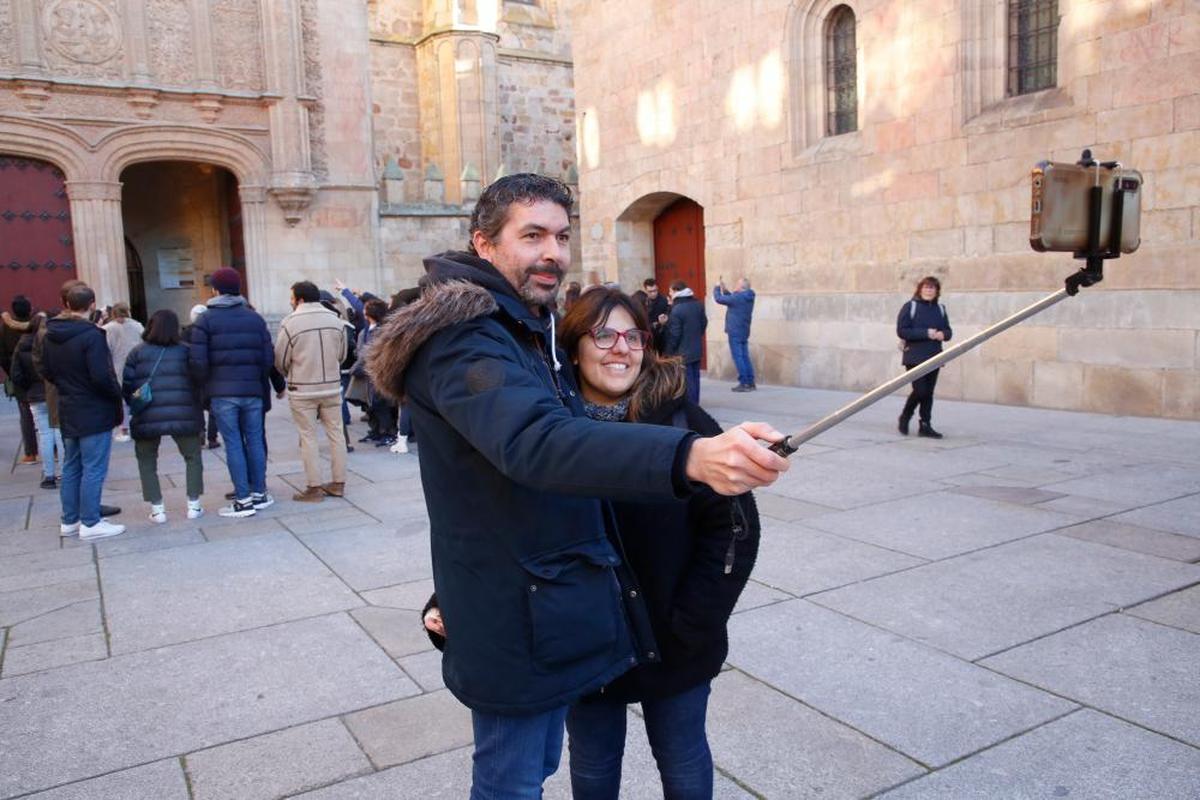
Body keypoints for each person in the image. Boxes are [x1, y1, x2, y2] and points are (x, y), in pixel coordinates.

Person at [365, 173, 787, 799]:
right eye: (531, 235)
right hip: (520, 619)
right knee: (514, 782)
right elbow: (535, 443)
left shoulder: (521, 329)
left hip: (546, 607)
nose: (552, 253)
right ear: (484, 243)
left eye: (562, 236)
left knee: (541, 771)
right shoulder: (465, 337)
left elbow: (509, 493)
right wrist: (689, 458)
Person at [560, 288, 760, 798]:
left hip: (676, 637)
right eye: (603, 334)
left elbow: (734, 527)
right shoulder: (551, 432)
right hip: (586, 639)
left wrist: (694, 620)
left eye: (633, 336)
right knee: (593, 763)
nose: (620, 348)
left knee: (682, 754)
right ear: (575, 346)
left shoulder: (682, 420)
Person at [40, 283, 126, 540]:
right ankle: (90, 521)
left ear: (66, 304)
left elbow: (46, 371)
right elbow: (102, 375)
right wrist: (115, 395)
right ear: (91, 305)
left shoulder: (50, 334)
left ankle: (70, 519)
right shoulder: (91, 335)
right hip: (93, 407)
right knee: (93, 466)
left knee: (72, 465)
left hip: (68, 403)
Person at [189, 266, 275, 517]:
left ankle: (244, 500)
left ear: (215, 290)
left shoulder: (205, 319)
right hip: (252, 390)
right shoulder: (254, 318)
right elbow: (267, 357)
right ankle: (259, 493)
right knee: (255, 439)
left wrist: (206, 386)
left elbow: (198, 361)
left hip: (222, 392)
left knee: (234, 443)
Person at [122, 309, 205, 523]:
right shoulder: (186, 351)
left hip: (147, 413)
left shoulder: (137, 353)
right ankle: (194, 505)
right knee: (192, 456)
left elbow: (128, 386)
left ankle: (157, 508)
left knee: (147, 460)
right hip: (184, 412)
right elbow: (199, 380)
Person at [275, 280, 349, 502]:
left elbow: (280, 359)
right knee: (336, 434)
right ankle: (338, 482)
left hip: (302, 388)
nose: (291, 302)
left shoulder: (289, 323)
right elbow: (342, 354)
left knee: (308, 437)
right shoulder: (336, 321)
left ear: (300, 299)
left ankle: (314, 487)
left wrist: (292, 373)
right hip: (331, 385)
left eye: (292, 298)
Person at [10, 314, 63, 489]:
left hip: (34, 395)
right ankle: (64, 471)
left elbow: (15, 374)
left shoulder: (21, 345)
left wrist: (29, 387)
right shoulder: (50, 342)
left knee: (45, 435)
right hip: (52, 392)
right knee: (59, 433)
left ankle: (48, 475)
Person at [897, 275, 953, 439]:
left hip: (934, 355)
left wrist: (944, 334)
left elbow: (948, 331)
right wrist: (926, 333)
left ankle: (925, 424)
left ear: (937, 291)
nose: (929, 290)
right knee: (920, 390)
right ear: (920, 289)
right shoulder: (910, 307)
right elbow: (902, 330)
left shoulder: (940, 309)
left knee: (928, 392)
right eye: (926, 287)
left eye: (932, 288)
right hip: (914, 356)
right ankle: (906, 415)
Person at [2, 295, 39, 465]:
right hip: (40, 373)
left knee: (25, 414)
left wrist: (10, 372)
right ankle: (53, 450)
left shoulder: (5, 329)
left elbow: (1, 355)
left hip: (19, 374)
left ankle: (31, 452)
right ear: (30, 308)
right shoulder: (38, 325)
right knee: (48, 412)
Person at [103, 302, 145, 442]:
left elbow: (105, 349)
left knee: (122, 400)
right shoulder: (137, 326)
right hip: (137, 365)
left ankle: (124, 428)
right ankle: (141, 423)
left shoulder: (107, 329)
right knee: (139, 395)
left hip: (117, 366)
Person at [663, 279, 707, 404]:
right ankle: (695, 404)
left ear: (676, 291)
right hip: (696, 348)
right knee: (695, 379)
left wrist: (668, 352)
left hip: (682, 352)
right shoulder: (697, 304)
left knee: (688, 382)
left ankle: (692, 407)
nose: (669, 294)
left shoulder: (677, 310)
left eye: (670, 291)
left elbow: (674, 335)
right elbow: (704, 323)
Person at [184, 304, 221, 450]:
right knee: (213, 407)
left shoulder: (187, 332)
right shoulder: (213, 330)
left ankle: (200, 433)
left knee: (197, 405)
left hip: (194, 374)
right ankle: (212, 437)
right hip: (212, 373)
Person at [713, 276, 757, 392]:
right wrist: (725, 289)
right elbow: (731, 299)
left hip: (735, 331)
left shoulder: (738, 297)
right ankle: (750, 382)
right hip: (743, 330)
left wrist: (717, 287)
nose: (736, 286)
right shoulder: (747, 296)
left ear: (741, 287)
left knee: (738, 357)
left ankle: (744, 383)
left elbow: (719, 299)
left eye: (738, 284)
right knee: (744, 356)